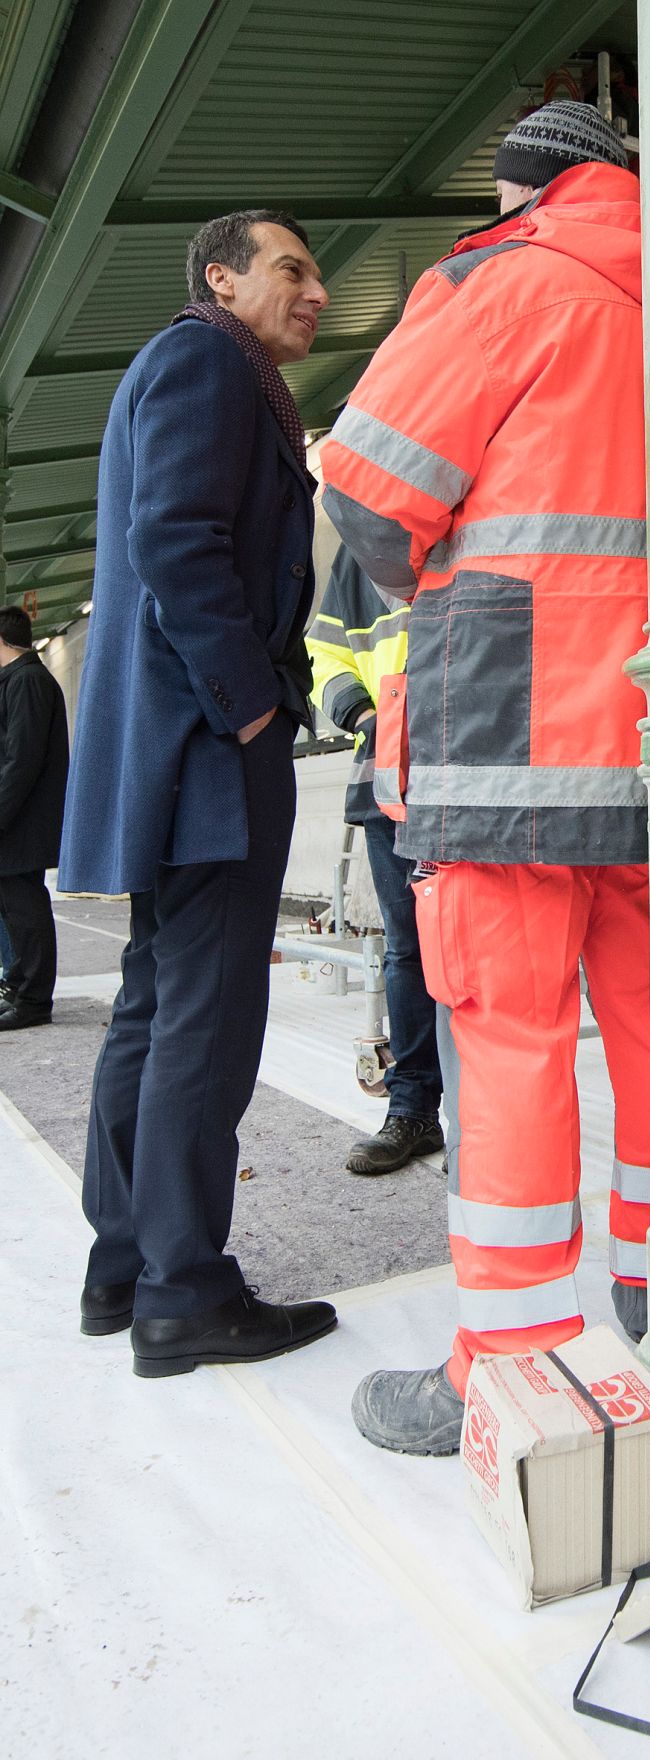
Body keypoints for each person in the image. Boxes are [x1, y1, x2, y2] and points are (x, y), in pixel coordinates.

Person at [323, 100, 650, 1454]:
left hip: (507, 732)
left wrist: (447, 576)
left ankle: (506, 1368)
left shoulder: (494, 283)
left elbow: (366, 491)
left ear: (522, 196)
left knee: (508, 1038)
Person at [59, 210, 338, 1375]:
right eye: (292, 268)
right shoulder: (205, 358)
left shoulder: (208, 367)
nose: (315, 291)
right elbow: (177, 537)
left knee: (155, 998)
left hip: (174, 746)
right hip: (209, 745)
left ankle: (124, 1263)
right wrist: (252, 704)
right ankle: (185, 1287)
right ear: (221, 278)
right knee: (205, 1012)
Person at [307, 541, 444, 1172]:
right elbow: (325, 652)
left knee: (483, 951)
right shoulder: (362, 550)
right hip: (389, 779)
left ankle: (483, 1119)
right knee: (407, 951)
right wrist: (365, 717)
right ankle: (413, 1109)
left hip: (479, 776)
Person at [0, 605, 69, 1031]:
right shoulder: (19, 680)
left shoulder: (27, 681)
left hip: (19, 821)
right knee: (14, 907)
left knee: (25, 908)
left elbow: (20, 760)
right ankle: (19, 986)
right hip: (16, 819)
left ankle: (33, 1000)